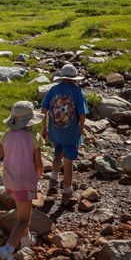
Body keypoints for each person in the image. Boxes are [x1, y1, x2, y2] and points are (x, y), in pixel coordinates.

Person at [0, 101, 43, 260]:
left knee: (22, 211)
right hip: (25, 181)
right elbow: (38, 162)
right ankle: (8, 249)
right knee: (24, 219)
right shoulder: (34, 137)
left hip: (10, 181)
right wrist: (39, 172)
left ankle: (26, 241)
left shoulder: (7, 136)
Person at [41, 63, 88, 206]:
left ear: (61, 78)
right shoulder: (78, 92)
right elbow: (82, 115)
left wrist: (44, 128)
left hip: (55, 130)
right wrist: (80, 130)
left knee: (57, 154)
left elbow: (43, 109)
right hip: (70, 133)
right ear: (74, 79)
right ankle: (67, 192)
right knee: (68, 162)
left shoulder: (53, 89)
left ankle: (53, 184)